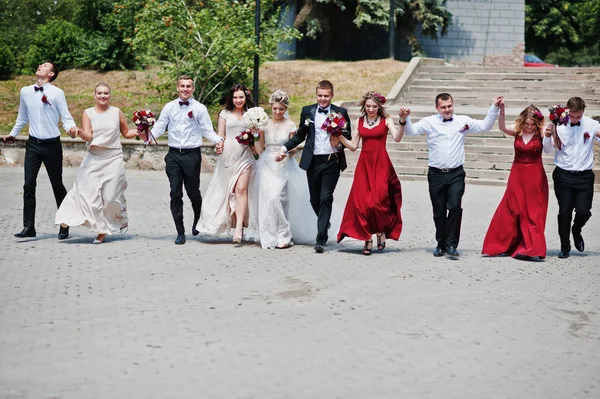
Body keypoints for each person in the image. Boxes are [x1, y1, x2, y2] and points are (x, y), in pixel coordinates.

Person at [398, 93, 503, 259]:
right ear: (437, 108)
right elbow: (411, 132)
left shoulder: (462, 121)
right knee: (438, 212)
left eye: (449, 106)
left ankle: (452, 244)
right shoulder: (429, 122)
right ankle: (441, 244)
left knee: (454, 207)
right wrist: (405, 119)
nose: (447, 110)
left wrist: (494, 107)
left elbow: (484, 126)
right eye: (443, 107)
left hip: (456, 174)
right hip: (436, 175)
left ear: (453, 105)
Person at [55, 83, 139, 243]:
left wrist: (143, 129)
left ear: (110, 95)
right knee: (87, 194)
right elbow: (88, 136)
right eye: (99, 93)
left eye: (106, 93)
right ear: (94, 95)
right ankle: (100, 230)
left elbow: (127, 133)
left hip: (113, 158)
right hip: (94, 158)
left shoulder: (116, 112)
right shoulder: (88, 113)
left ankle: (116, 218)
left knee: (110, 197)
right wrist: (78, 131)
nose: (102, 96)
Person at [2, 61, 78, 240]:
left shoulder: (57, 93)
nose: (40, 66)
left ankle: (64, 223)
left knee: (57, 185)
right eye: (40, 65)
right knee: (28, 185)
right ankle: (29, 226)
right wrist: (13, 134)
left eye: (44, 66)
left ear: (51, 74)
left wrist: (72, 129)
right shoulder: (25, 91)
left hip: (52, 144)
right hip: (33, 145)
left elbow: (66, 117)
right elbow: (22, 116)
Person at [275, 80, 352, 253]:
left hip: (332, 161)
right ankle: (325, 222)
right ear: (316, 95)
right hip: (313, 161)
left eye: (326, 96)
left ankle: (320, 237)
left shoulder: (341, 113)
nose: (323, 99)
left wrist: (339, 143)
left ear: (332, 95)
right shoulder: (307, 111)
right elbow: (300, 135)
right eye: (320, 95)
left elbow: (348, 136)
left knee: (326, 197)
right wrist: (284, 148)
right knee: (314, 199)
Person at [148, 75, 224, 245]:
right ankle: (180, 231)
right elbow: (159, 127)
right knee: (175, 192)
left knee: (193, 193)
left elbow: (207, 130)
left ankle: (198, 219)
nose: (185, 89)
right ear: (177, 88)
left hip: (192, 155)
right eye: (182, 86)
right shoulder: (169, 107)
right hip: (174, 155)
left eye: (188, 86)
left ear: (193, 89)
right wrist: (146, 136)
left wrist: (219, 140)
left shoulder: (200, 108)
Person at [250, 90, 320, 249]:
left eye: (281, 109)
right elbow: (260, 149)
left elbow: (294, 147)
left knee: (279, 199)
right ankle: (268, 234)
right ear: (271, 107)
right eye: (275, 108)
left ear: (286, 108)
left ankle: (284, 234)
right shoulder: (265, 124)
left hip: (283, 164)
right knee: (268, 199)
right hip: (267, 164)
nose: (277, 112)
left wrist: (285, 153)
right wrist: (255, 136)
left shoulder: (290, 125)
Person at [336, 91, 403, 255]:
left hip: (381, 164)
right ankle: (367, 239)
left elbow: (397, 137)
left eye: (374, 106)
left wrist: (402, 121)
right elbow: (352, 146)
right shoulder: (359, 122)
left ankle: (380, 231)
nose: (371, 109)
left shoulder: (386, 120)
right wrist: (338, 136)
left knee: (378, 202)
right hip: (364, 165)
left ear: (379, 107)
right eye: (368, 106)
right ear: (364, 106)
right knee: (362, 203)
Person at [482, 104, 548, 260]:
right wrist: (502, 112)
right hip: (517, 174)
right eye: (527, 124)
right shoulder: (517, 130)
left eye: (532, 124)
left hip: (535, 175)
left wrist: (557, 123)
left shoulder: (541, 132)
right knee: (512, 208)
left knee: (532, 211)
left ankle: (533, 248)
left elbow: (553, 137)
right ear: (522, 121)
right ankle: (506, 245)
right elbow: (503, 127)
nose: (529, 127)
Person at [196, 84, 257, 243]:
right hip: (228, 156)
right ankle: (228, 222)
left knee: (241, 189)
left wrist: (255, 141)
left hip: (246, 154)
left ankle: (239, 229)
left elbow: (257, 134)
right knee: (228, 190)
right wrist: (219, 144)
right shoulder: (224, 114)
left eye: (241, 97)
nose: (238, 100)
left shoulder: (252, 114)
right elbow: (220, 135)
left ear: (246, 97)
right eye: (235, 97)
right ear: (231, 98)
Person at [543, 97, 600, 259]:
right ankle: (565, 246)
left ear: (583, 112)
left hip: (584, 176)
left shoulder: (592, 124)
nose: (575, 119)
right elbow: (547, 150)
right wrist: (547, 136)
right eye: (573, 116)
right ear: (567, 110)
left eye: (579, 116)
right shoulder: (557, 124)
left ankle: (577, 229)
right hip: (563, 175)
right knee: (565, 211)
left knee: (584, 211)